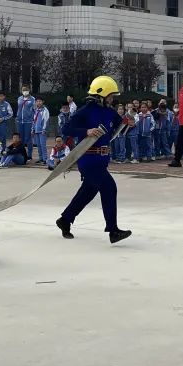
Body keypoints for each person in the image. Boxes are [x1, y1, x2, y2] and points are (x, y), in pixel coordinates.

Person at [56, 75, 131, 243]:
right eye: (110, 96)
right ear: (101, 95)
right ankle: (113, 230)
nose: (112, 99)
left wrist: (129, 124)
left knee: (88, 192)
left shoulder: (110, 112)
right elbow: (66, 128)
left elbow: (119, 128)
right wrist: (86, 131)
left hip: (102, 158)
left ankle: (65, 219)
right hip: (88, 159)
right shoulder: (85, 111)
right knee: (109, 188)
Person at [16, 85, 35, 161]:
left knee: (28, 138)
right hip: (20, 121)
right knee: (21, 138)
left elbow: (34, 109)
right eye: (23, 90)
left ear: (29, 90)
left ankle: (29, 155)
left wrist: (33, 119)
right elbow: (19, 108)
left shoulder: (32, 99)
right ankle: (22, 153)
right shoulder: (19, 98)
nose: (25, 91)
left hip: (28, 121)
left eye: (26, 90)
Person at [31, 96, 50, 164]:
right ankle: (41, 158)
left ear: (42, 102)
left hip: (42, 131)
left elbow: (46, 120)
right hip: (36, 130)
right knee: (38, 145)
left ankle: (45, 159)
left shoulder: (45, 110)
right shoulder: (36, 110)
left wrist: (44, 129)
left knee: (43, 145)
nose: (38, 103)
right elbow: (34, 120)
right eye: (37, 101)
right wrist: (32, 129)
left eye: (40, 101)